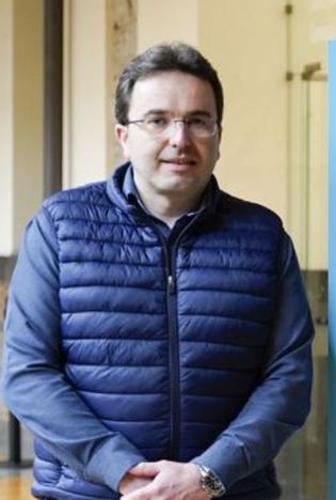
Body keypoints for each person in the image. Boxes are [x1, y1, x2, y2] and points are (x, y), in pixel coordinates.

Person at [3, 42, 313, 499]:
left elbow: (289, 376)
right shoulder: (59, 226)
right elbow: (27, 372)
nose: (179, 138)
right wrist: (121, 471)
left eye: (197, 121)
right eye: (158, 120)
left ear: (218, 134)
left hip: (229, 491)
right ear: (123, 135)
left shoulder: (262, 237)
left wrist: (207, 475)